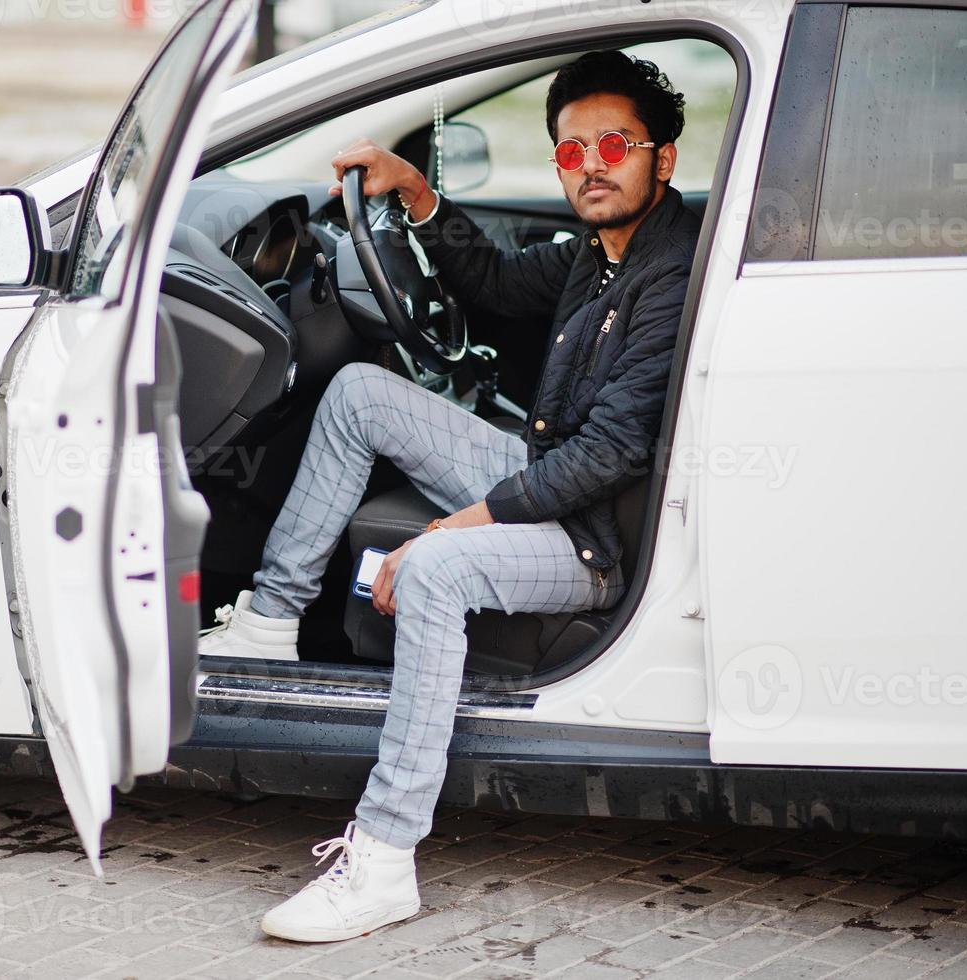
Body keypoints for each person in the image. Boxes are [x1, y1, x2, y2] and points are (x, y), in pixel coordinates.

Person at [200, 50, 702, 943]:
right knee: (356, 393)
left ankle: (384, 860)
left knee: (430, 572)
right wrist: (411, 193)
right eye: (569, 151)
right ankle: (272, 619)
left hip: (591, 540)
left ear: (660, 157)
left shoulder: (672, 274)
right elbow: (502, 285)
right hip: (548, 480)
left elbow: (610, 456)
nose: (590, 166)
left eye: (613, 145)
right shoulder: (600, 251)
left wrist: (451, 527)